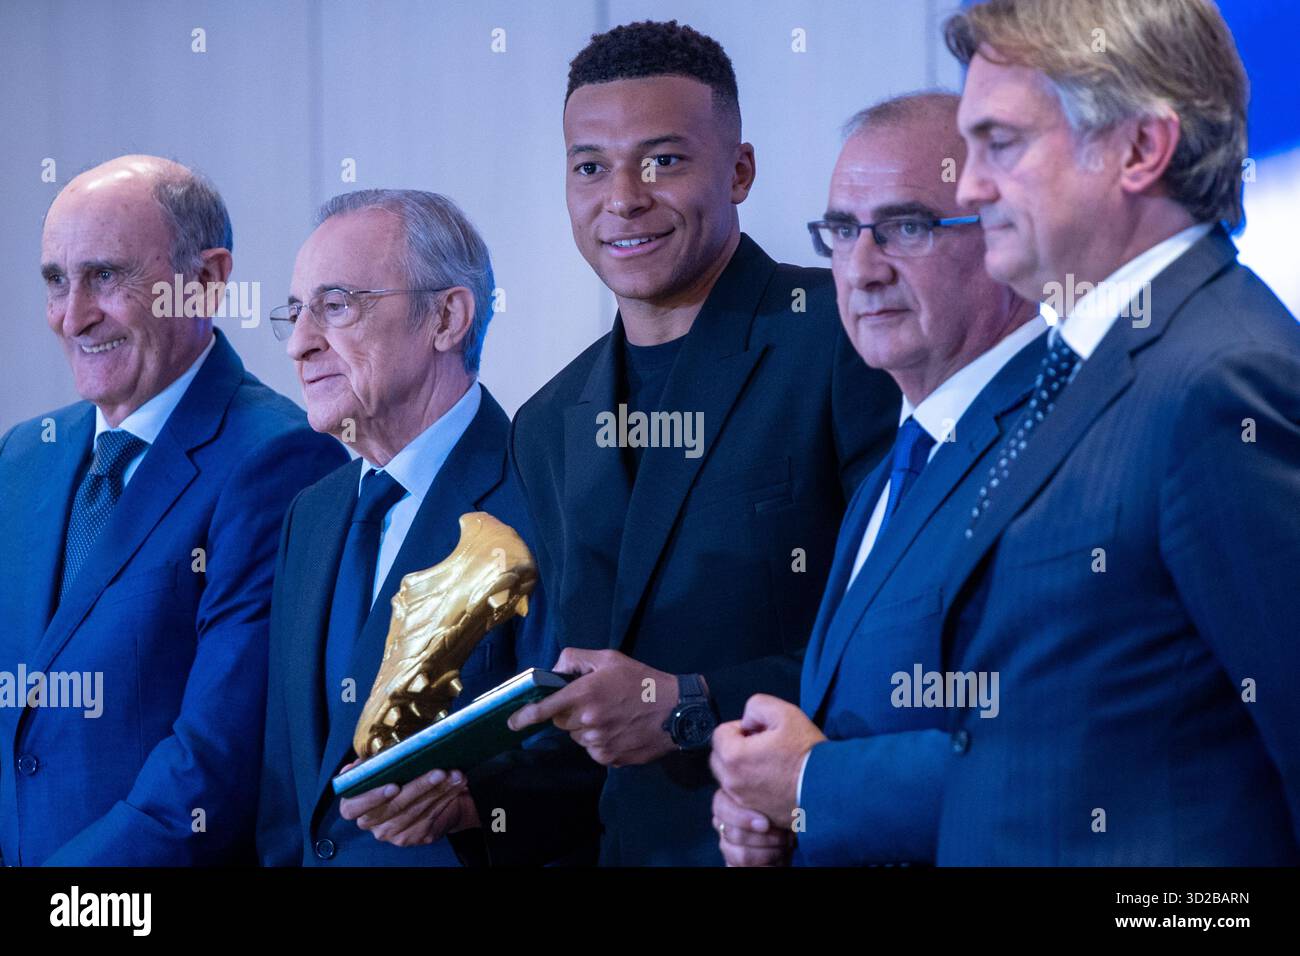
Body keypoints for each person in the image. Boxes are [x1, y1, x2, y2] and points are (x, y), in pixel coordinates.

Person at [500, 20, 899, 866]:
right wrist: (466, 792)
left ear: (740, 171)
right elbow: (587, 719)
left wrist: (690, 704)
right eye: (589, 167)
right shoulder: (545, 424)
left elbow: (900, 642)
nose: (623, 197)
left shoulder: (847, 337)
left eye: (664, 161)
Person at [931, 0, 1298, 863]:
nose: (968, 186)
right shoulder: (1086, 364)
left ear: (1138, 148)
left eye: (1002, 143)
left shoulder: (1222, 381)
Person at [709, 92, 1044, 865]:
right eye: (841, 232)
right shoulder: (888, 473)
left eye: (906, 227)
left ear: (1009, 232)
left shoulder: (1062, 443)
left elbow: (1060, 761)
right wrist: (780, 815)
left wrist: (812, 785)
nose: (860, 268)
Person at [0, 155, 346, 866]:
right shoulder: (23, 457)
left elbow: (213, 765)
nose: (73, 316)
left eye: (106, 276)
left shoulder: (281, 461)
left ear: (208, 281)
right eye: (57, 282)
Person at [255, 190, 557, 866]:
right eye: (296, 313)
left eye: (336, 308)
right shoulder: (313, 512)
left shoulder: (545, 497)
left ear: (447, 317)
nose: (301, 343)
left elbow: (578, 763)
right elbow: (286, 786)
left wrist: (476, 800)